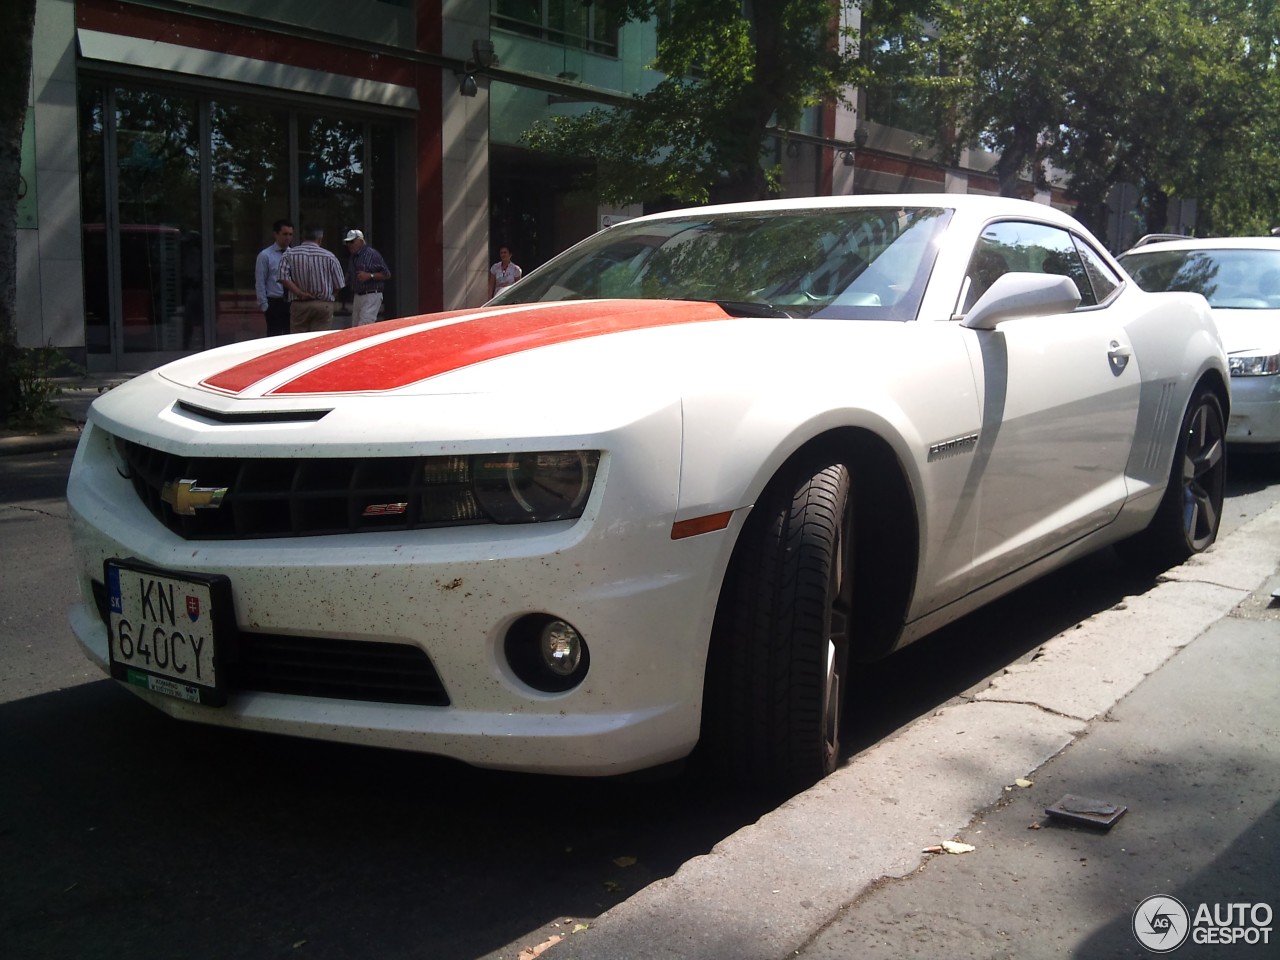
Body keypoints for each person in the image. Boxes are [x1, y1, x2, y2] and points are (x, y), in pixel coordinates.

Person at [278, 224, 346, 334]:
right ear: (320, 239)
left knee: (298, 341)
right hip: (323, 304)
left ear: (302, 237)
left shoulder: (289, 254)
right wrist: (330, 295)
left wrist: (300, 293)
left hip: (299, 303)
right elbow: (339, 284)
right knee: (319, 341)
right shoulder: (330, 256)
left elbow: (282, 276)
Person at [343, 229, 392, 325]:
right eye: (348, 242)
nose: (349, 245)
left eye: (352, 242)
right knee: (355, 327)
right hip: (358, 295)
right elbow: (349, 275)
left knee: (364, 326)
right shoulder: (353, 257)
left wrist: (370, 275)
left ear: (360, 241)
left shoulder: (371, 254)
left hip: (371, 295)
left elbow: (387, 274)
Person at [254, 219, 294, 337]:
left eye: (290, 234)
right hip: (274, 302)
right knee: (274, 336)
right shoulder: (265, 255)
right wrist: (264, 305)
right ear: (276, 234)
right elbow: (260, 281)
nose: (288, 238)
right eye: (285, 234)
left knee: (290, 336)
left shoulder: (293, 254)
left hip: (291, 302)